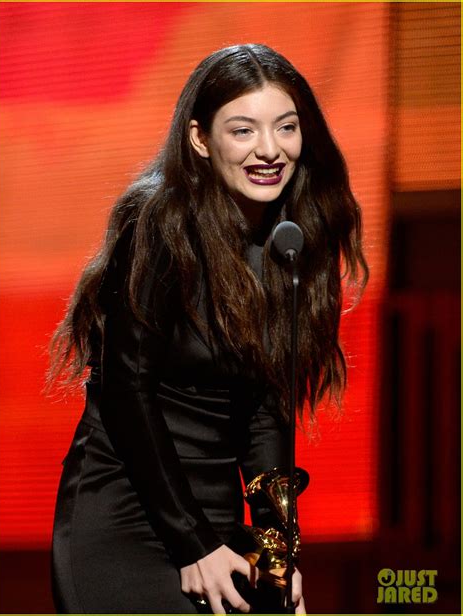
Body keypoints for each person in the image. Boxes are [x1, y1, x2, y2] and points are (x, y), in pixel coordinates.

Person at [48, 43, 368, 614]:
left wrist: (277, 553)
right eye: (243, 131)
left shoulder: (296, 238)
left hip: (216, 519)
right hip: (130, 512)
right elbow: (127, 390)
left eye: (286, 127)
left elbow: (267, 411)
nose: (270, 150)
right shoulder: (157, 224)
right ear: (200, 139)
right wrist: (192, 544)